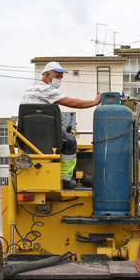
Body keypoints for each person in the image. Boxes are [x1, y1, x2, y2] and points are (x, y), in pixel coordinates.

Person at [22, 61, 100, 189]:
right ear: (47, 75)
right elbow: (73, 103)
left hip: (27, 135)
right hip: (43, 136)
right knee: (70, 141)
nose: (59, 80)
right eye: (57, 76)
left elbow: (37, 113)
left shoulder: (32, 88)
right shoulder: (46, 89)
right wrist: (94, 101)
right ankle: (65, 178)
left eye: (61, 78)